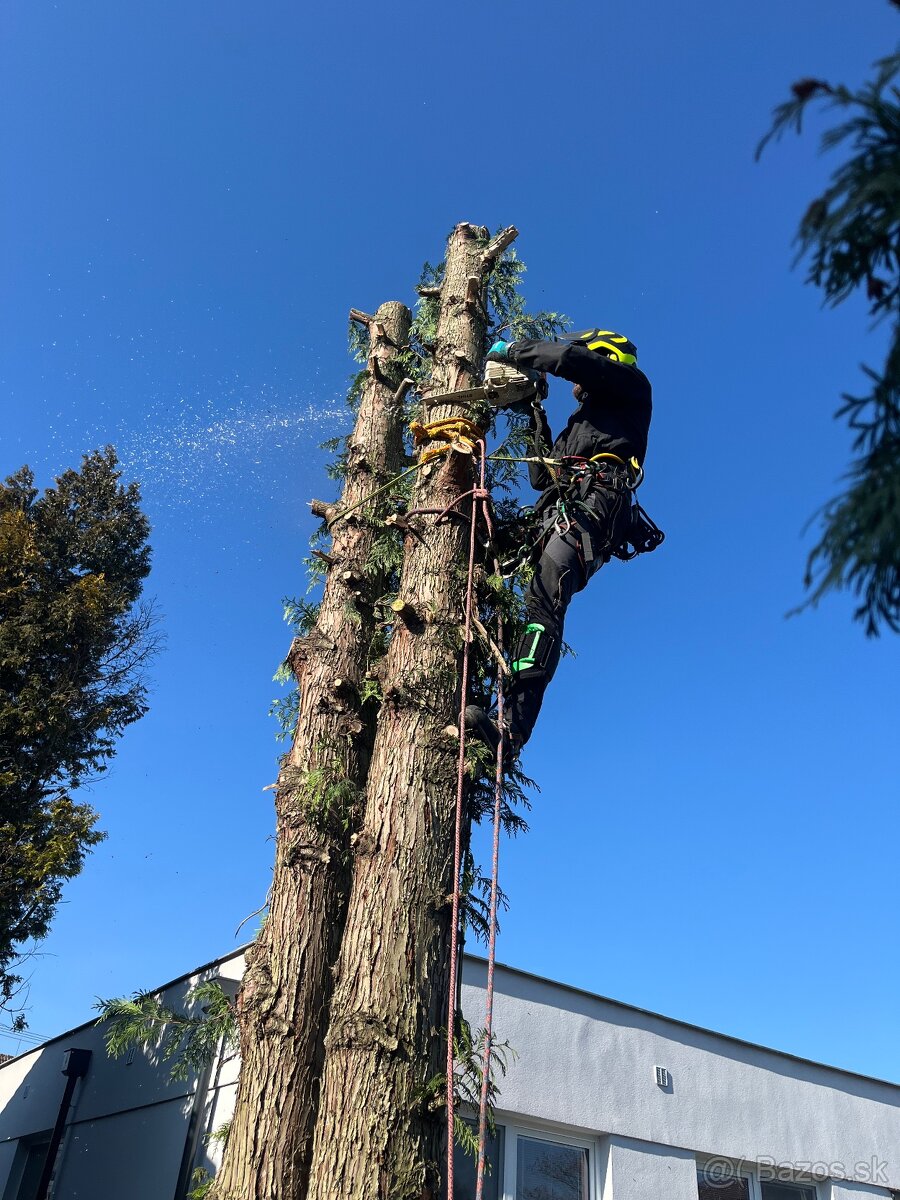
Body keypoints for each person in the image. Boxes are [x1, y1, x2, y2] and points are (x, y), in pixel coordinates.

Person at [465, 328, 655, 758]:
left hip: (598, 502)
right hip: (565, 508)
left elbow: (576, 362)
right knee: (514, 583)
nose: (573, 389)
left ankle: (510, 732)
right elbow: (541, 476)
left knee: (544, 601)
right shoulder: (580, 424)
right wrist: (533, 408)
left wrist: (517, 351)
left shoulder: (631, 388)